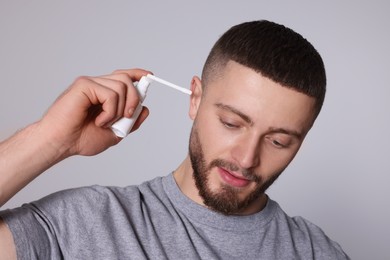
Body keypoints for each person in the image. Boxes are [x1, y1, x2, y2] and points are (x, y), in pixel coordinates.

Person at [0, 20, 349, 259]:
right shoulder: (86, 222)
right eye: (231, 122)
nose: (245, 159)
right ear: (194, 98)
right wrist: (50, 138)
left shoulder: (316, 252)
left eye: (278, 141)